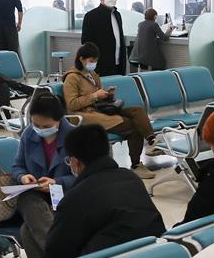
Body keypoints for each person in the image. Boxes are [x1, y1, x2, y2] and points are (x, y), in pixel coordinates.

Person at [42, 124, 165, 258]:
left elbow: (54, 255)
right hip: (157, 256)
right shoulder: (131, 178)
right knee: (27, 232)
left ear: (75, 162)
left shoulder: (76, 197)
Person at [63, 42, 157, 180]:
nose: (94, 63)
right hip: (85, 115)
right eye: (91, 60)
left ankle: (152, 140)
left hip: (99, 109)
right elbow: (71, 104)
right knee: (132, 126)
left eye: (95, 61)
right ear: (81, 59)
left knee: (137, 111)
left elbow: (99, 98)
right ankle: (136, 165)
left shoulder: (92, 74)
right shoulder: (72, 78)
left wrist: (108, 95)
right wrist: (95, 96)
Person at [11, 94, 77, 258]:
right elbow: (17, 166)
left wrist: (57, 182)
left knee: (27, 230)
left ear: (60, 119)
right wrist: (23, 177)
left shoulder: (74, 137)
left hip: (64, 196)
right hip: (35, 196)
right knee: (28, 199)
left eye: (46, 126)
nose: (40, 129)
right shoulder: (29, 135)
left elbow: (85, 176)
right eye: (36, 125)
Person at [80, 0, 127, 76]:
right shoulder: (91, 16)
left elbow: (119, 38)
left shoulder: (117, 15)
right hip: (101, 65)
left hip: (119, 63)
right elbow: (86, 41)